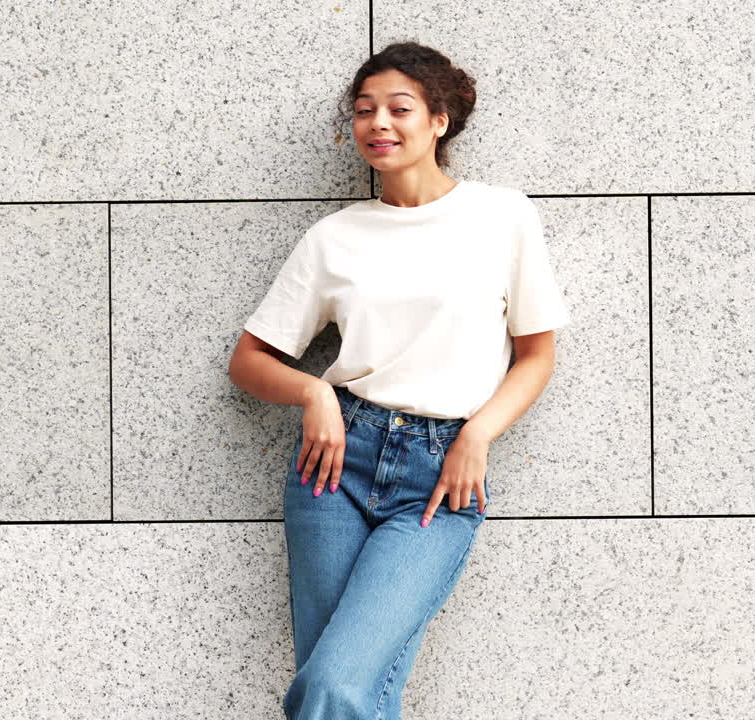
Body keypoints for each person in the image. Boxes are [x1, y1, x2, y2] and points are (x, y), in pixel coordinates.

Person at [227, 41, 570, 719]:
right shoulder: (335, 237)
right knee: (353, 690)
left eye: (398, 108)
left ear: (440, 119)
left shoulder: (502, 217)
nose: (377, 123)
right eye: (363, 111)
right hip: (334, 468)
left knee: (333, 688)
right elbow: (248, 360)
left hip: (441, 478)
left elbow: (536, 353)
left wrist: (478, 434)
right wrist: (313, 390)